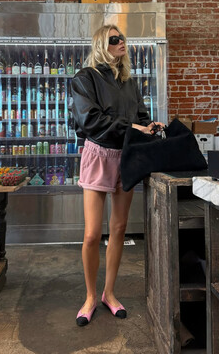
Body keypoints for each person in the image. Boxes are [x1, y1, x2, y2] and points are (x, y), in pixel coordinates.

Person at [71, 24, 164, 326]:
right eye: (114, 39)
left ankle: (108, 293)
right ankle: (90, 296)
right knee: (91, 234)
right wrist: (132, 127)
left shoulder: (129, 82)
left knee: (120, 228)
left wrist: (150, 126)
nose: (121, 41)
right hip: (98, 155)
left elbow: (141, 116)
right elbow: (90, 120)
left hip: (126, 156)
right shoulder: (85, 78)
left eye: (122, 37)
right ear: (101, 44)